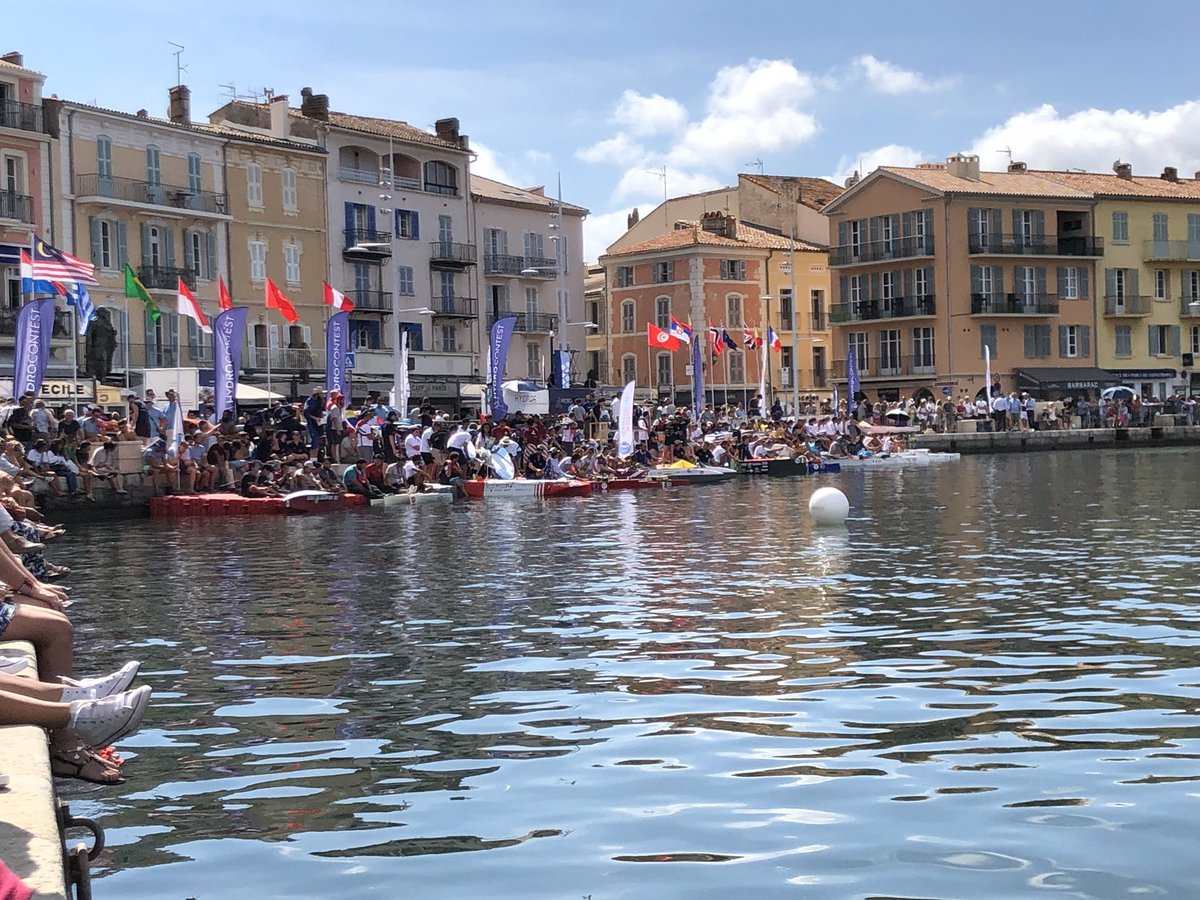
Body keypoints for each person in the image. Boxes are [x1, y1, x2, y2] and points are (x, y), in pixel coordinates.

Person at [302, 388, 325, 459]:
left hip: (319, 424)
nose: (322, 395)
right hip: (313, 424)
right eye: (321, 393)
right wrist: (315, 418)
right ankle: (312, 459)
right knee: (314, 441)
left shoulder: (318, 401)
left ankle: (315, 458)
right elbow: (306, 413)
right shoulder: (311, 401)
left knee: (318, 442)